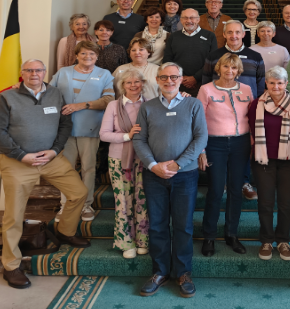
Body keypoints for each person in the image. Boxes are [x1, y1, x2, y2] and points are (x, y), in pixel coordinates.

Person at [0, 59, 91, 289]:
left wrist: (54, 150)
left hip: (50, 159)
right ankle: (11, 265)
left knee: (79, 192)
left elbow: (65, 124)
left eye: (38, 70)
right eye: (29, 70)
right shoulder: (7, 97)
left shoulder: (55, 93)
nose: (34, 73)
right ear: (21, 73)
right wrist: (21, 155)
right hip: (18, 161)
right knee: (14, 215)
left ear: (45, 72)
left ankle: (65, 231)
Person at [134, 62, 208, 298]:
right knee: (157, 225)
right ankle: (160, 272)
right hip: (154, 175)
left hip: (184, 175)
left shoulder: (193, 104)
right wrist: (154, 166)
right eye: (164, 77)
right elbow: (139, 140)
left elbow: (200, 138)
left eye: (174, 77)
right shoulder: (147, 108)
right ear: (157, 79)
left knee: (183, 226)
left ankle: (184, 272)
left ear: (181, 78)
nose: (169, 81)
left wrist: (178, 164)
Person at [51, 41, 115, 223]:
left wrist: (83, 105)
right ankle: (66, 205)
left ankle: (86, 205)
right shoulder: (63, 73)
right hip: (65, 128)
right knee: (65, 169)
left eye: (92, 54)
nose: (88, 57)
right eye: (84, 54)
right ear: (76, 55)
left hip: (91, 127)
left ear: (97, 56)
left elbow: (110, 99)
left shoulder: (104, 74)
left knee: (88, 168)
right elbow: (48, 92)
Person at [202, 20, 266, 200]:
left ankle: (244, 182)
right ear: (224, 35)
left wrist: (258, 106)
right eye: (229, 32)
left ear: (244, 34)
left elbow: (261, 83)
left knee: (243, 146)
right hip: (219, 112)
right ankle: (220, 182)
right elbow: (206, 79)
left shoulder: (255, 55)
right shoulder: (214, 55)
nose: (233, 36)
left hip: (246, 109)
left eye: (237, 32)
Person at [197, 53, 253, 257]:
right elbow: (199, 121)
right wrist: (201, 150)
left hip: (241, 143)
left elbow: (253, 116)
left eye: (234, 68)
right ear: (218, 68)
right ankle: (209, 236)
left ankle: (231, 234)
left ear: (239, 71)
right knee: (216, 190)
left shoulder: (246, 89)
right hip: (215, 144)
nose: (230, 71)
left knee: (236, 190)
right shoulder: (206, 89)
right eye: (226, 67)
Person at [248, 66, 290, 262]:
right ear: (266, 83)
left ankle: (283, 240)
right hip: (263, 160)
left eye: (280, 83)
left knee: (286, 203)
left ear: (286, 84)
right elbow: (251, 132)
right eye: (272, 83)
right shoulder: (256, 104)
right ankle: (266, 240)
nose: (276, 86)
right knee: (265, 202)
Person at [100, 68, 149, 259]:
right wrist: (127, 136)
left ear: (143, 84)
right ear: (122, 85)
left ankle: (143, 240)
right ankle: (126, 241)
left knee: (142, 199)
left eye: (137, 82)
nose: (133, 85)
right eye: (129, 82)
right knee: (123, 201)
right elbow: (103, 134)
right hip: (119, 159)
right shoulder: (113, 106)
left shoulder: (150, 105)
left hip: (144, 158)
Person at [162, 8, 218, 96]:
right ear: (181, 20)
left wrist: (195, 78)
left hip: (203, 84)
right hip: (178, 84)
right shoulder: (173, 36)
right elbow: (167, 60)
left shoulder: (210, 36)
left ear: (198, 19)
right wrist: (180, 77)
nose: (189, 21)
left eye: (192, 18)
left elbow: (213, 61)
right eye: (185, 18)